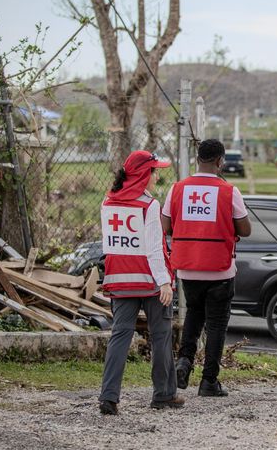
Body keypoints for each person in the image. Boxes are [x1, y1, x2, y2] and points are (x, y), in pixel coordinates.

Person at [162, 139, 251, 397]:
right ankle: (209, 381)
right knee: (216, 324)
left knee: (193, 314)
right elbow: (244, 229)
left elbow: (166, 226)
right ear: (220, 161)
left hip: (188, 266)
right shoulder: (228, 191)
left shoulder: (177, 189)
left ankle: (184, 362)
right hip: (220, 268)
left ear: (197, 159)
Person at [98, 150, 182, 415]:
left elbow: (110, 244)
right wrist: (164, 282)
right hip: (149, 281)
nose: (157, 176)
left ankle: (108, 397)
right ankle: (164, 394)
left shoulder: (107, 202)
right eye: (155, 171)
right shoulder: (149, 205)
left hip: (119, 280)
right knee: (160, 335)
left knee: (119, 336)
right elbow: (155, 249)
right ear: (144, 174)